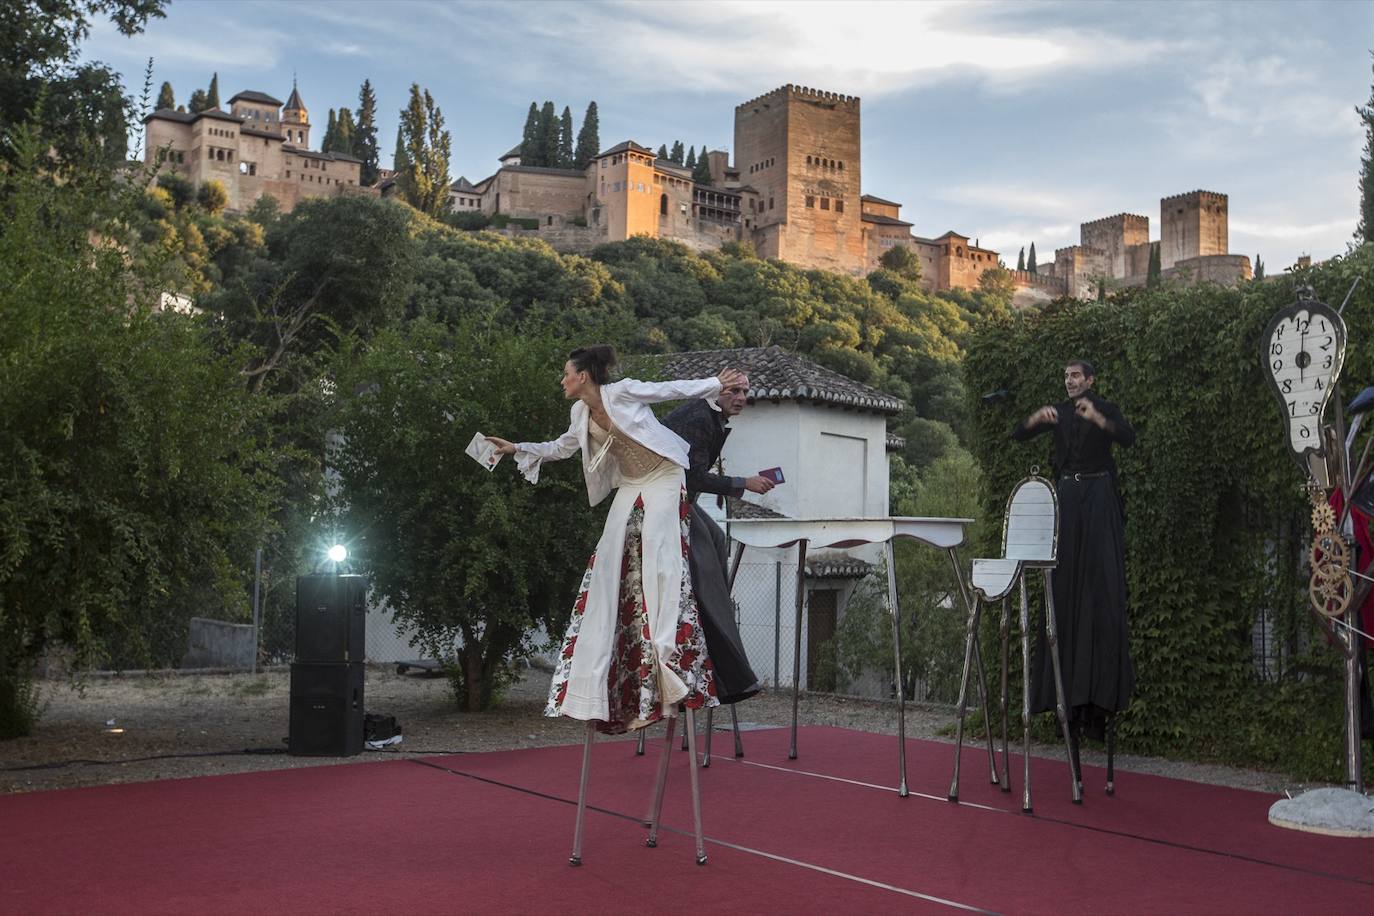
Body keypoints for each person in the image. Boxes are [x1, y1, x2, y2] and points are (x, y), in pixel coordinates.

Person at [487, 346, 746, 733]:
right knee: (608, 565)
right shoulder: (580, 413)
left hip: (664, 476)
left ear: (584, 377)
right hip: (631, 483)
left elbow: (668, 389)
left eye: (566, 374)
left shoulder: (622, 391)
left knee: (661, 561)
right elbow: (561, 448)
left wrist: (715, 384)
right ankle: (607, 684)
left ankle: (667, 671)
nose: (562, 380)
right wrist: (516, 449)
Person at [1012, 359, 1136, 742]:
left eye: (1075, 376)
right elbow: (1018, 435)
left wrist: (1098, 419)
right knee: (1066, 591)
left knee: (1099, 591)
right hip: (1066, 497)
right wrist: (1034, 419)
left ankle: (1097, 707)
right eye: (1065, 376)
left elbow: (1128, 437)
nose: (1069, 381)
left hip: (1098, 498)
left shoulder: (1104, 408)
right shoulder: (1059, 412)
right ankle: (1066, 704)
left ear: (1089, 380)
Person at [662, 370, 774, 705]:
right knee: (706, 555)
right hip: (667, 501)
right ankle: (709, 616)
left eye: (745, 391)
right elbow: (693, 477)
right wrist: (743, 483)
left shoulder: (712, 416)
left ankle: (716, 609)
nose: (741, 397)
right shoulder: (698, 417)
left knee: (717, 538)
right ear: (717, 390)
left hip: (681, 498)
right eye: (734, 390)